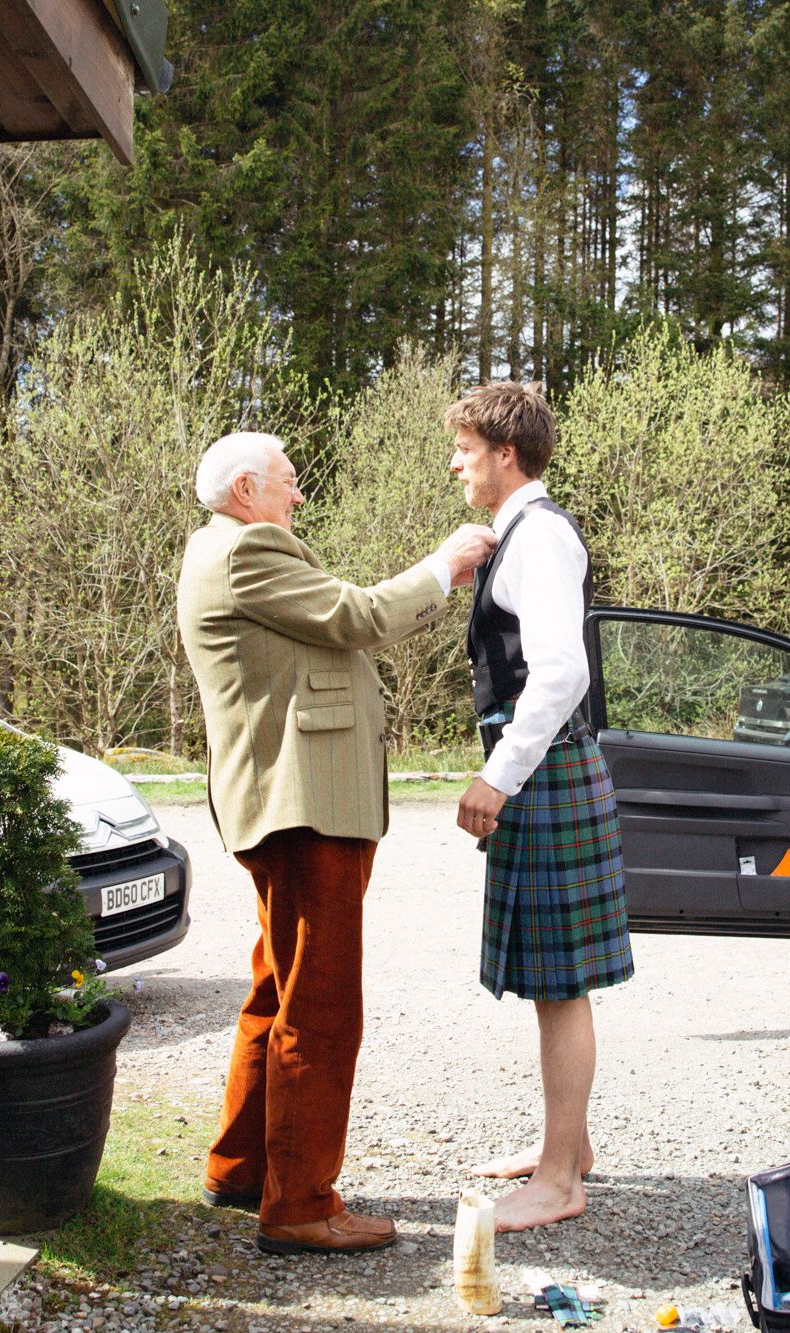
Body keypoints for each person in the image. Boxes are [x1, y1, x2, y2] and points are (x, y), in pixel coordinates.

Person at [176, 430, 495, 1256]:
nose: (299, 495)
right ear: (246, 488)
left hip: (296, 804)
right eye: (288, 481)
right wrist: (444, 565)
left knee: (278, 985)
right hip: (303, 807)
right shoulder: (246, 551)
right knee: (319, 1005)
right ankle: (301, 1204)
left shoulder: (228, 547)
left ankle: (242, 1165)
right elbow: (358, 616)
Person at [448, 382, 634, 1232]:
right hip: (543, 770)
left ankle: (561, 1178)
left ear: (505, 454)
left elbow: (562, 673)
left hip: (545, 768)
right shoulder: (516, 536)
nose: (456, 463)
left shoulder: (542, 538)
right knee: (549, 981)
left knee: (561, 985)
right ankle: (571, 1144)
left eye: (465, 449)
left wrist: (500, 775)